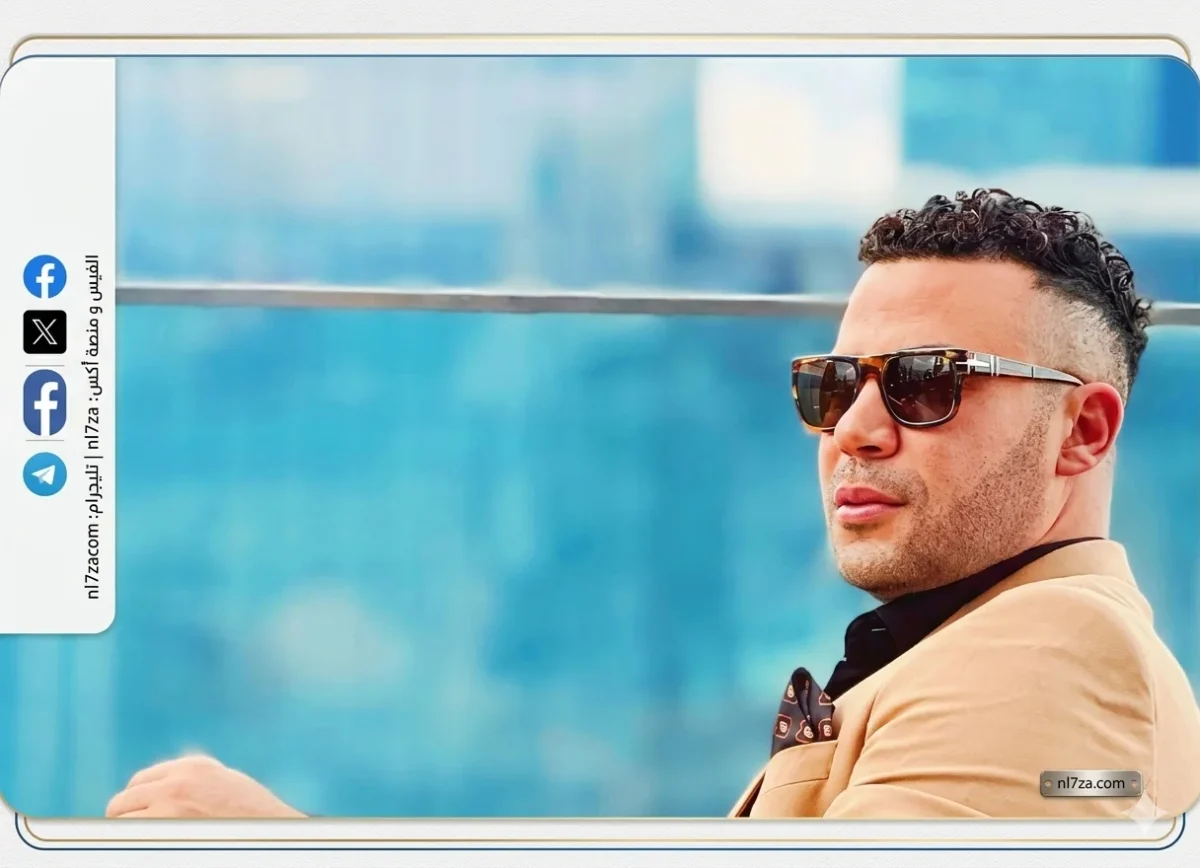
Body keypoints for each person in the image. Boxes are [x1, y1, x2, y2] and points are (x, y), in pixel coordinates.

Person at [104, 189, 1200, 821]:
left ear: (1085, 430)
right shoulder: (961, 650)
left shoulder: (1057, 652)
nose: (855, 429)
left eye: (925, 383)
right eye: (833, 385)